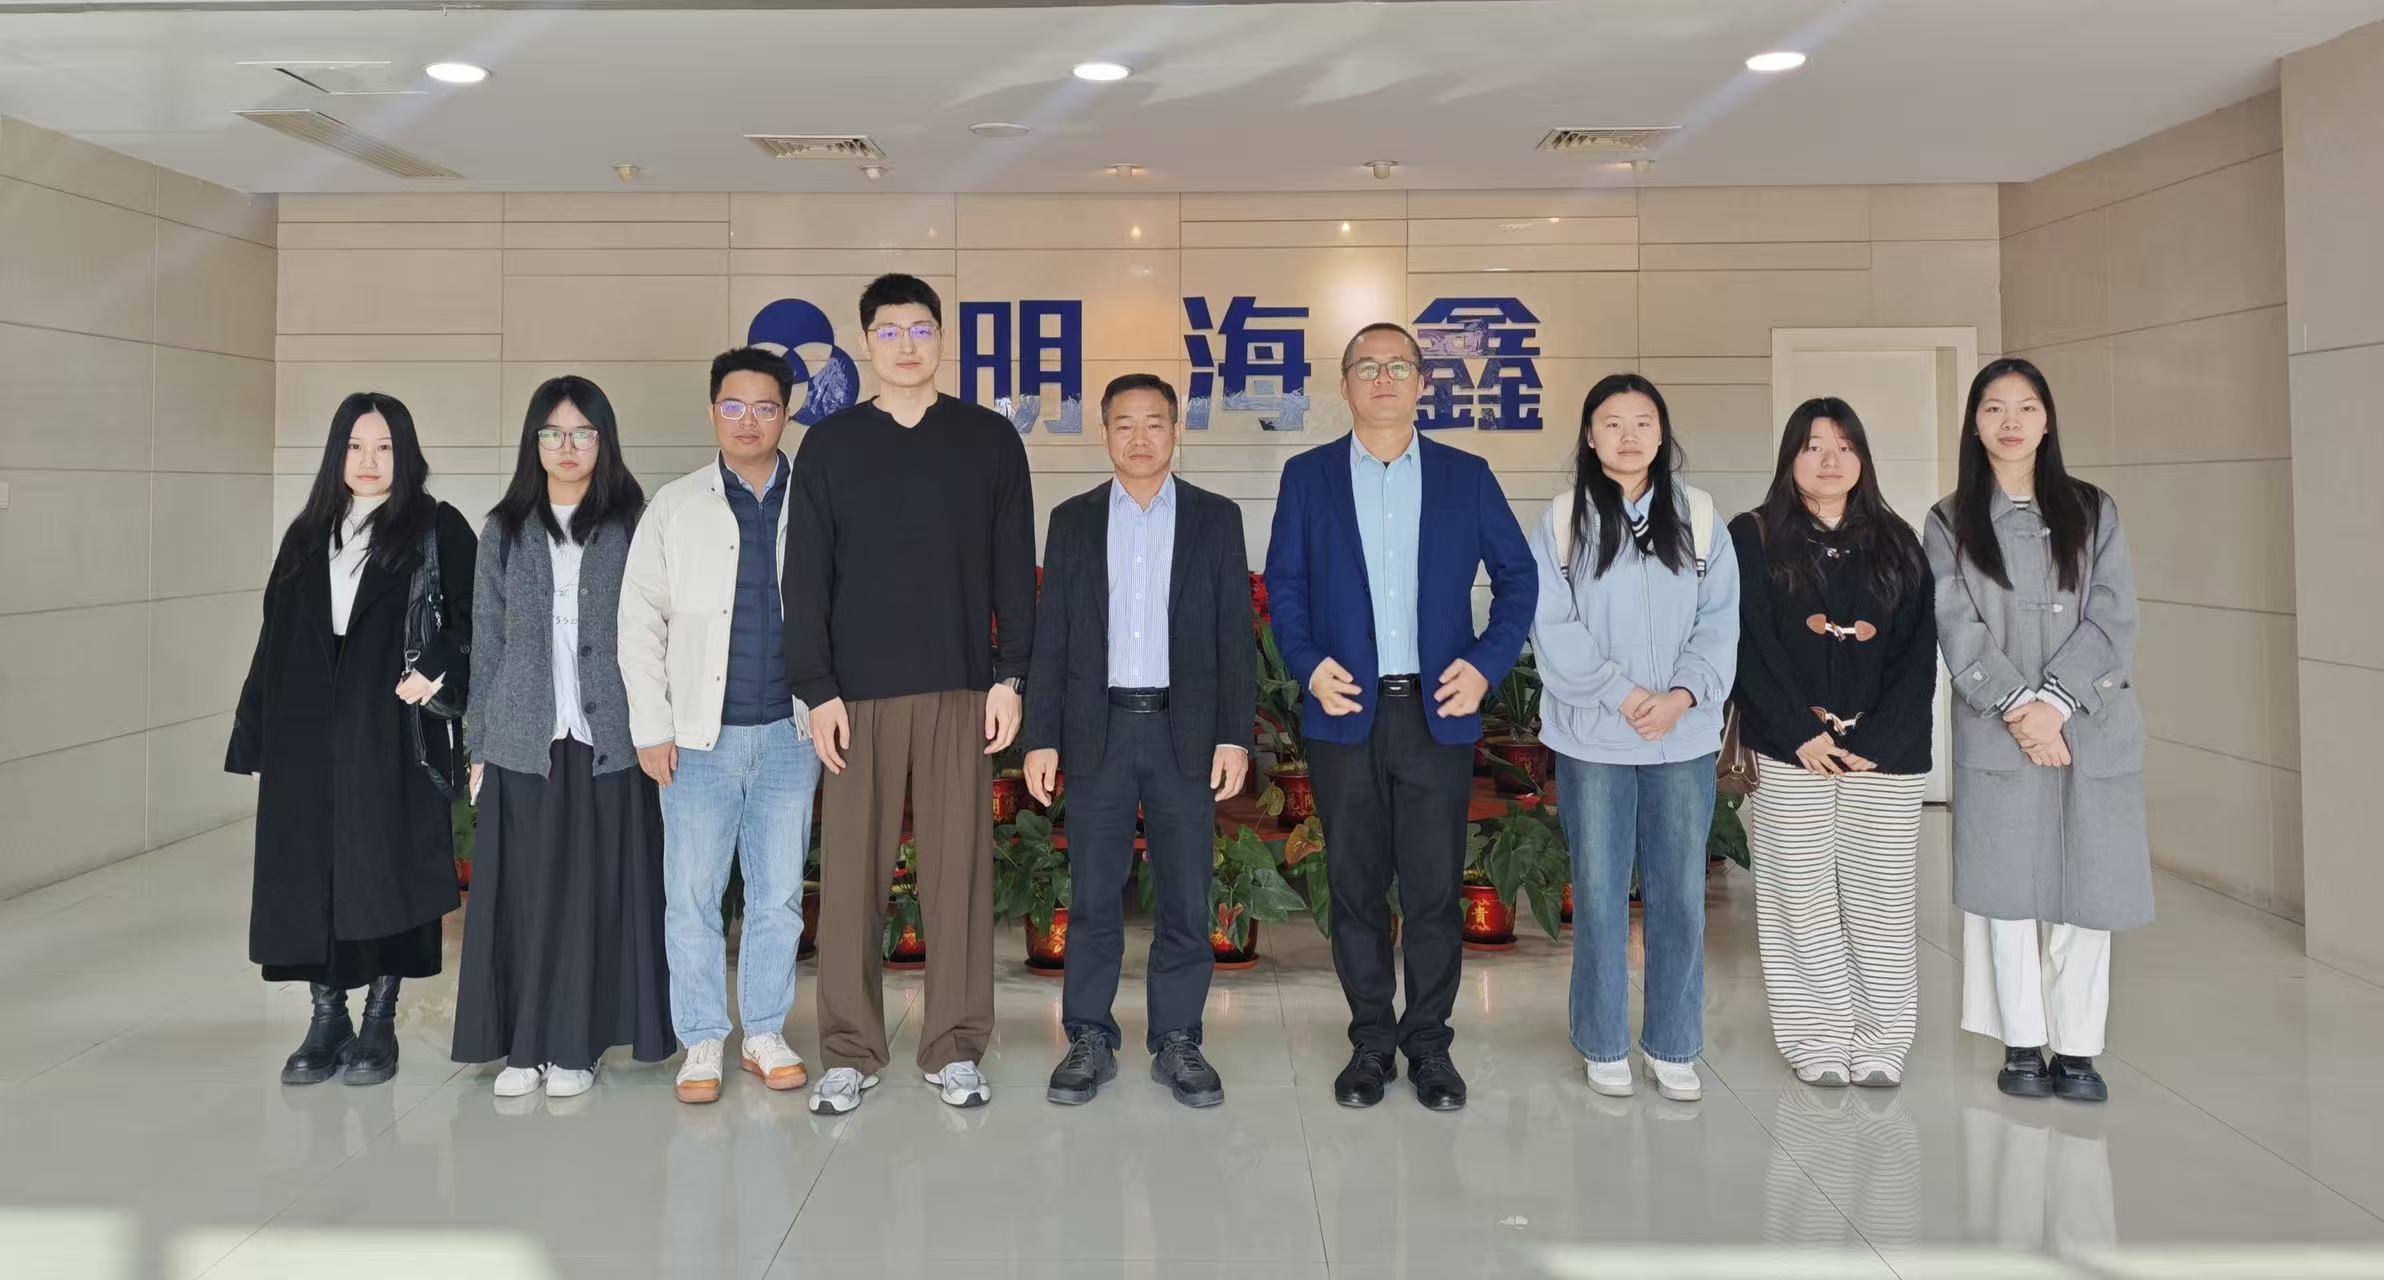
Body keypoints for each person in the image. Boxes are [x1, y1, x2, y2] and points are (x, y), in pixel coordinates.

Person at [1264, 322, 1536, 1113]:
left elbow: (1519, 579)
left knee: (1432, 891)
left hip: (1435, 712)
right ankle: (1371, 1044)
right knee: (1353, 888)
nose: (1383, 378)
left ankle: (1430, 1047)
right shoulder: (1309, 477)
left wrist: (1485, 666)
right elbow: (1285, 585)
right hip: (1344, 712)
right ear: (1345, 385)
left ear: (1422, 382)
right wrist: (1307, 662)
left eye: (1398, 366)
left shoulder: (1465, 476)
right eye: (1367, 366)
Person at [784, 273, 1037, 1114]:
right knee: (850, 878)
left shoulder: (988, 439)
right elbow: (805, 578)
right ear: (865, 343)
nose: (905, 345)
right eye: (889, 331)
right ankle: (849, 1049)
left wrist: (1011, 676)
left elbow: (1014, 567)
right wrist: (817, 689)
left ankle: (954, 1045)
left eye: (921, 329)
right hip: (855, 699)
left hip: (960, 686)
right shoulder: (830, 446)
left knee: (956, 875)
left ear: (941, 339)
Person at [228, 392, 475, 1087]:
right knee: (310, 874)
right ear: (337, 452)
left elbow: (474, 616)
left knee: (385, 869)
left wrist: (434, 669)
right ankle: (327, 1015)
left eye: (385, 447)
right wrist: (255, 734)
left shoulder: (436, 526)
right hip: (305, 730)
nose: (369, 461)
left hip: (391, 726)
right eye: (356, 446)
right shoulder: (308, 533)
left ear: (406, 452)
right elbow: (274, 637)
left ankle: (379, 1020)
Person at [1024, 373, 1256, 1109]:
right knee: (1094, 896)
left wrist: (1234, 735)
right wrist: (1041, 737)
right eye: (1124, 424)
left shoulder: (1215, 519)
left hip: (1185, 731)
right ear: (1105, 435)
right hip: (1098, 730)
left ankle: (1178, 1038)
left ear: (1177, 431)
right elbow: (1053, 636)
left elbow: (1234, 635)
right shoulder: (1073, 520)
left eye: (1154, 423)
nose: (1140, 438)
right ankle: (1089, 1037)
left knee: (1185, 895)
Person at [1925, 357, 2148, 1104]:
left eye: (2026, 407)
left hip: (2090, 725)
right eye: (1994, 407)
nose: (2011, 421)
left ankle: (2078, 1049)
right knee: (2007, 892)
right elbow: (1954, 622)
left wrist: (2057, 703)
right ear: (1975, 423)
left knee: (2089, 889)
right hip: (1999, 726)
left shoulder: (2094, 510)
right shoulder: (1948, 520)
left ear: (2047, 420)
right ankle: (2022, 1042)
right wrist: (2023, 709)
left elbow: (2114, 614)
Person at [451, 376, 672, 1099]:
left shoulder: (635, 524)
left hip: (611, 736)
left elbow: (658, 629)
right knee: (526, 894)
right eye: (553, 433)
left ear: (604, 442)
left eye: (582, 433)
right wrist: (479, 742)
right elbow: (487, 641)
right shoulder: (505, 529)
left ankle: (578, 1044)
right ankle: (526, 1045)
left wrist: (662, 723)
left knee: (593, 894)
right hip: (525, 737)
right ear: (534, 442)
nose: (567, 446)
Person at [1529, 373, 1739, 1103]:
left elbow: (1721, 621)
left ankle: (1675, 1044)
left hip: (1682, 738)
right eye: (1612, 423)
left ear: (1662, 434)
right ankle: (1603, 1040)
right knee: (1599, 894)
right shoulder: (1563, 521)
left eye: (1643, 422)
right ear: (1589, 437)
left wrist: (1681, 696)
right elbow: (1552, 625)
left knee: (1680, 895)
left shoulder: (1701, 517)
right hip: (1596, 738)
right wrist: (1622, 695)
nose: (1628, 435)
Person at [618, 348, 819, 1105]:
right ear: (712, 413)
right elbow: (639, 622)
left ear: (786, 415)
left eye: (765, 407)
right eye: (733, 406)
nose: (748, 421)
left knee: (779, 895)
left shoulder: (818, 501)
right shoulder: (675, 506)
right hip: (697, 739)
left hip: (791, 734)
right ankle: (702, 1038)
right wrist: (651, 726)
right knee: (693, 896)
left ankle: (764, 1032)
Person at [1731, 397, 1936, 1089]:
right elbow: (1748, 643)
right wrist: (1800, 732)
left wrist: (1878, 738)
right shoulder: (1754, 536)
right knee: (1800, 897)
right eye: (1813, 445)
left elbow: (1918, 653)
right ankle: (1816, 1036)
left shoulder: (1899, 541)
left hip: (1886, 756)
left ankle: (1882, 1040)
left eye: (1845, 446)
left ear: (1862, 458)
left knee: (1882, 901)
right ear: (1790, 457)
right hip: (1791, 752)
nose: (1830, 459)